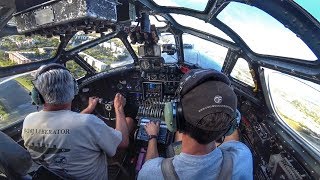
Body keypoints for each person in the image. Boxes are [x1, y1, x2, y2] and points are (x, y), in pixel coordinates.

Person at [22, 63, 133, 180]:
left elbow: (67, 125)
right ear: (74, 90)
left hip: (52, 176)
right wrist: (119, 108)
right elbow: (123, 143)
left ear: (37, 95)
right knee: (128, 121)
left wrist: (89, 108)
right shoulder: (88, 123)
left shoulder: (29, 120)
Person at [138, 69, 253, 180]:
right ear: (230, 127)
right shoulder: (242, 156)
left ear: (175, 118)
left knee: (177, 141)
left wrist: (152, 137)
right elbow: (232, 140)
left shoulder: (150, 173)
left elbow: (150, 164)